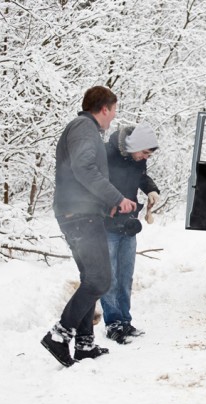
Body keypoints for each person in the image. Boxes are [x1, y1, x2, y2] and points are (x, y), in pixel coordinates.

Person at [41, 86, 137, 367]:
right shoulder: (84, 128)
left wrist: (106, 204)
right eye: (114, 110)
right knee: (100, 280)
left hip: (80, 212)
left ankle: (84, 344)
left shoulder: (83, 129)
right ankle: (59, 336)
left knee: (91, 279)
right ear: (104, 108)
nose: (114, 117)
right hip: (79, 216)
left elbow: (78, 174)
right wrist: (115, 197)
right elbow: (84, 169)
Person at [101, 123, 160, 344]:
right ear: (134, 145)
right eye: (144, 152)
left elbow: (141, 177)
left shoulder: (139, 160)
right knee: (110, 276)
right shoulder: (106, 155)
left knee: (125, 276)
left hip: (129, 224)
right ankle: (113, 323)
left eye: (149, 154)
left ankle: (125, 320)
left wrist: (151, 189)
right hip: (107, 224)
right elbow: (94, 185)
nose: (146, 157)